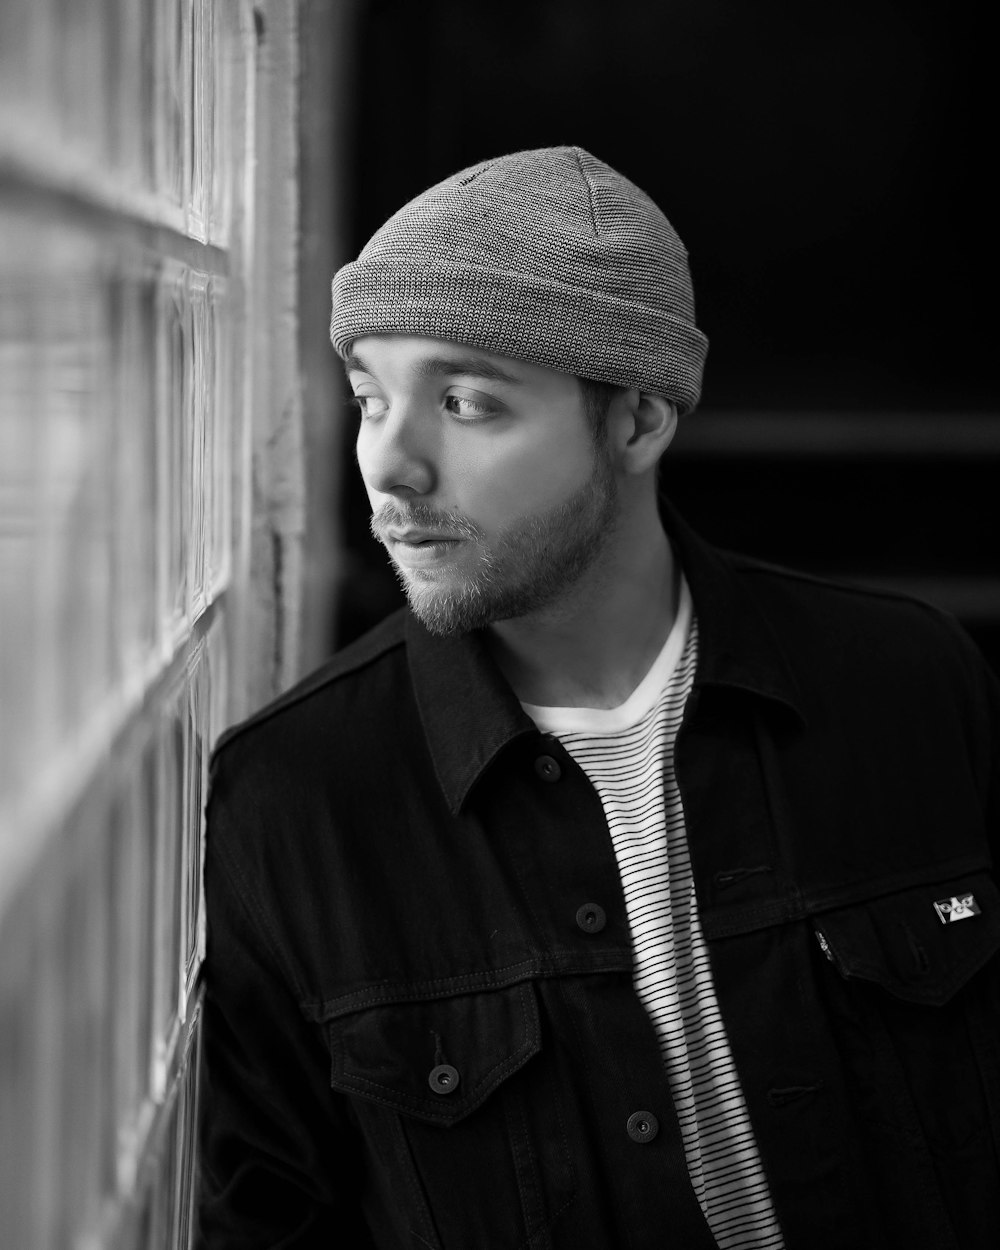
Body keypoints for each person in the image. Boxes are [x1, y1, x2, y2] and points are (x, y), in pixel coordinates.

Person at [196, 147, 1000, 1250]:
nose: (391, 464)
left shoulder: (906, 686)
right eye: (370, 397)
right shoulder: (298, 792)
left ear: (637, 419)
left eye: (465, 401)